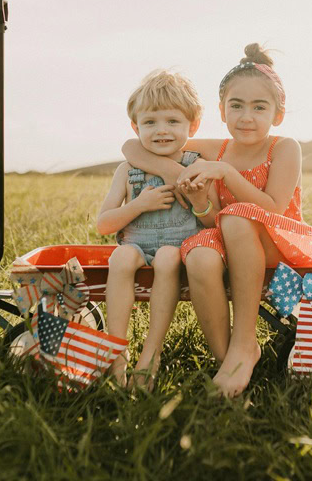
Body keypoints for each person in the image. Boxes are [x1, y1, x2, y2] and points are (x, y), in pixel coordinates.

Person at [122, 44, 312, 396]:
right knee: (198, 253)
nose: (247, 116)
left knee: (239, 217)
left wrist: (226, 173)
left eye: (260, 107)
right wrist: (192, 194)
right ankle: (226, 357)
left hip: (278, 243)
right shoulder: (217, 147)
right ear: (221, 111)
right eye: (236, 105)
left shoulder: (284, 147)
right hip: (228, 242)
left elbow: (272, 208)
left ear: (278, 114)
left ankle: (245, 341)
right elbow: (132, 148)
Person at [96, 69, 215, 388]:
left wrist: (199, 198)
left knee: (166, 257)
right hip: (135, 247)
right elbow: (103, 224)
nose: (161, 131)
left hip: (178, 251)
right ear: (135, 127)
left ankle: (151, 353)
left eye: (172, 122)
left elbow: (212, 222)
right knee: (120, 259)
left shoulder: (198, 165)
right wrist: (138, 205)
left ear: (193, 126)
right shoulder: (127, 169)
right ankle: (115, 354)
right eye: (150, 123)